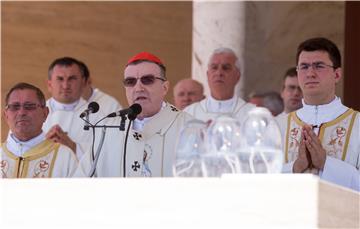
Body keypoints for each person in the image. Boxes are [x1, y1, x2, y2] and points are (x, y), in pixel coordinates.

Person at [76, 52, 194, 177]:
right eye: (130, 81)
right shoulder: (107, 129)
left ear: (164, 87)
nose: (138, 88)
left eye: (147, 80)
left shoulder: (189, 128)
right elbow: (82, 178)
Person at [281, 37, 359, 191]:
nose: (310, 73)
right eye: (304, 66)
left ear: (337, 75)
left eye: (319, 66)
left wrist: (326, 164)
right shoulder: (279, 126)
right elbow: (261, 182)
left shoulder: (358, 125)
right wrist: (295, 167)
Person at [1, 83, 78, 178]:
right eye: (15, 107)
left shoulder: (65, 157)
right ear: (6, 116)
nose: (21, 112)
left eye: (29, 106)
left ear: (45, 113)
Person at [44, 57, 108, 159]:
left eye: (72, 79)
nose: (65, 86)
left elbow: (105, 156)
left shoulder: (97, 117)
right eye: (60, 79)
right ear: (49, 84)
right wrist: (43, 145)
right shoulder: (33, 112)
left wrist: (73, 147)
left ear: (83, 83)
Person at [184, 48, 255, 123]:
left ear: (237, 76)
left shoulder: (251, 114)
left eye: (226, 68)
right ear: (208, 75)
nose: (219, 73)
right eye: (214, 67)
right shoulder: (190, 113)